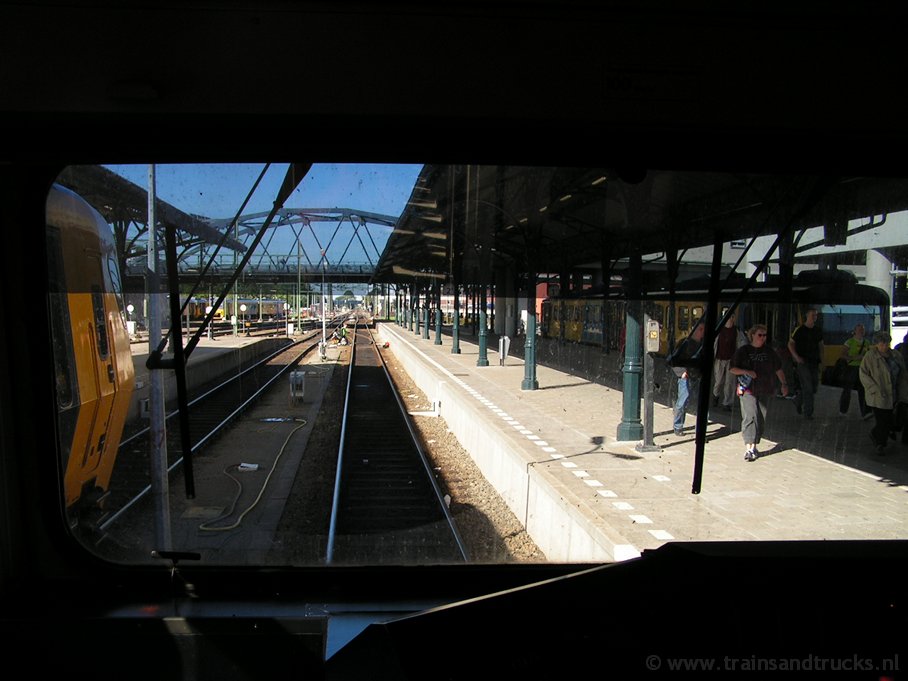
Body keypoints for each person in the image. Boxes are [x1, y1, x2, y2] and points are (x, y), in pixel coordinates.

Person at [731, 324, 789, 461]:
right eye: (760, 335)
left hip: (765, 389)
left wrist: (784, 384)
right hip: (747, 389)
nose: (762, 338)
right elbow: (732, 369)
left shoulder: (769, 352)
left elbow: (778, 369)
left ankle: (754, 444)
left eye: (764, 335)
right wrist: (746, 372)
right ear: (752, 335)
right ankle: (749, 448)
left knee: (761, 418)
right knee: (750, 415)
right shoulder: (743, 351)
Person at [859, 330, 908, 455]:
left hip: (894, 393)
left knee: (892, 419)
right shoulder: (870, 356)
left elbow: (902, 374)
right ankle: (880, 444)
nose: (885, 346)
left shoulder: (896, 355)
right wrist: (873, 389)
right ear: (877, 344)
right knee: (883, 420)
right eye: (882, 343)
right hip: (879, 395)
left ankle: (877, 435)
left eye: (887, 343)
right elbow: (863, 374)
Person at [788, 308, 824, 420]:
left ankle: (797, 400)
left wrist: (823, 361)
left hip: (814, 362)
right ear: (807, 316)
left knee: (813, 388)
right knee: (808, 387)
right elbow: (790, 344)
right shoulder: (800, 330)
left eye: (816, 315)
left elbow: (821, 346)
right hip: (803, 362)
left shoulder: (818, 331)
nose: (815, 317)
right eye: (813, 315)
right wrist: (796, 357)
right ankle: (808, 413)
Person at [671, 321, 705, 436]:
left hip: (698, 376)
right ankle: (678, 425)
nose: (702, 332)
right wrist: (682, 373)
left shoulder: (703, 345)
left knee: (699, 403)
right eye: (700, 329)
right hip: (686, 376)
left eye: (703, 329)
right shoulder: (684, 343)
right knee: (682, 401)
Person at [712, 311, 746, 411]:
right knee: (718, 380)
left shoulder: (736, 331)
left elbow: (742, 343)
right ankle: (716, 395)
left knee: (730, 382)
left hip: (731, 361)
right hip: (719, 359)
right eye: (729, 317)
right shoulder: (719, 330)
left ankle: (727, 403)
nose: (731, 319)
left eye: (732, 317)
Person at [838, 323, 870, 418]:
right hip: (851, 368)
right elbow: (842, 355)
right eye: (859, 329)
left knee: (863, 390)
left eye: (863, 330)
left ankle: (865, 412)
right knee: (847, 390)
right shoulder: (849, 342)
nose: (861, 331)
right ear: (855, 331)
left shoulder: (867, 342)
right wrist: (854, 357)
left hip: (863, 368)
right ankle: (843, 410)